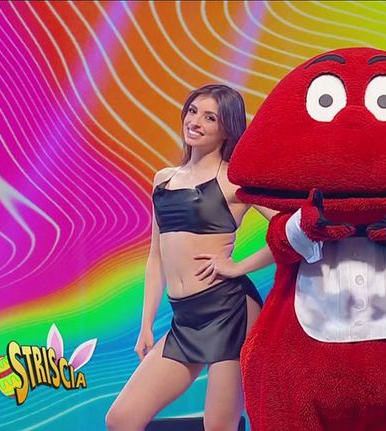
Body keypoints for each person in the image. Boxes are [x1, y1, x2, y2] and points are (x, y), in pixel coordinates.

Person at [106, 84, 275, 431]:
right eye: (193, 111)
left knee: (219, 427)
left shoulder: (234, 181)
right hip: (185, 319)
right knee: (121, 420)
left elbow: (293, 231)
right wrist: (145, 325)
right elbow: (156, 259)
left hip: (229, 310)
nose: (195, 122)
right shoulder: (163, 180)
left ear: (227, 129)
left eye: (210, 117)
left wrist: (238, 267)